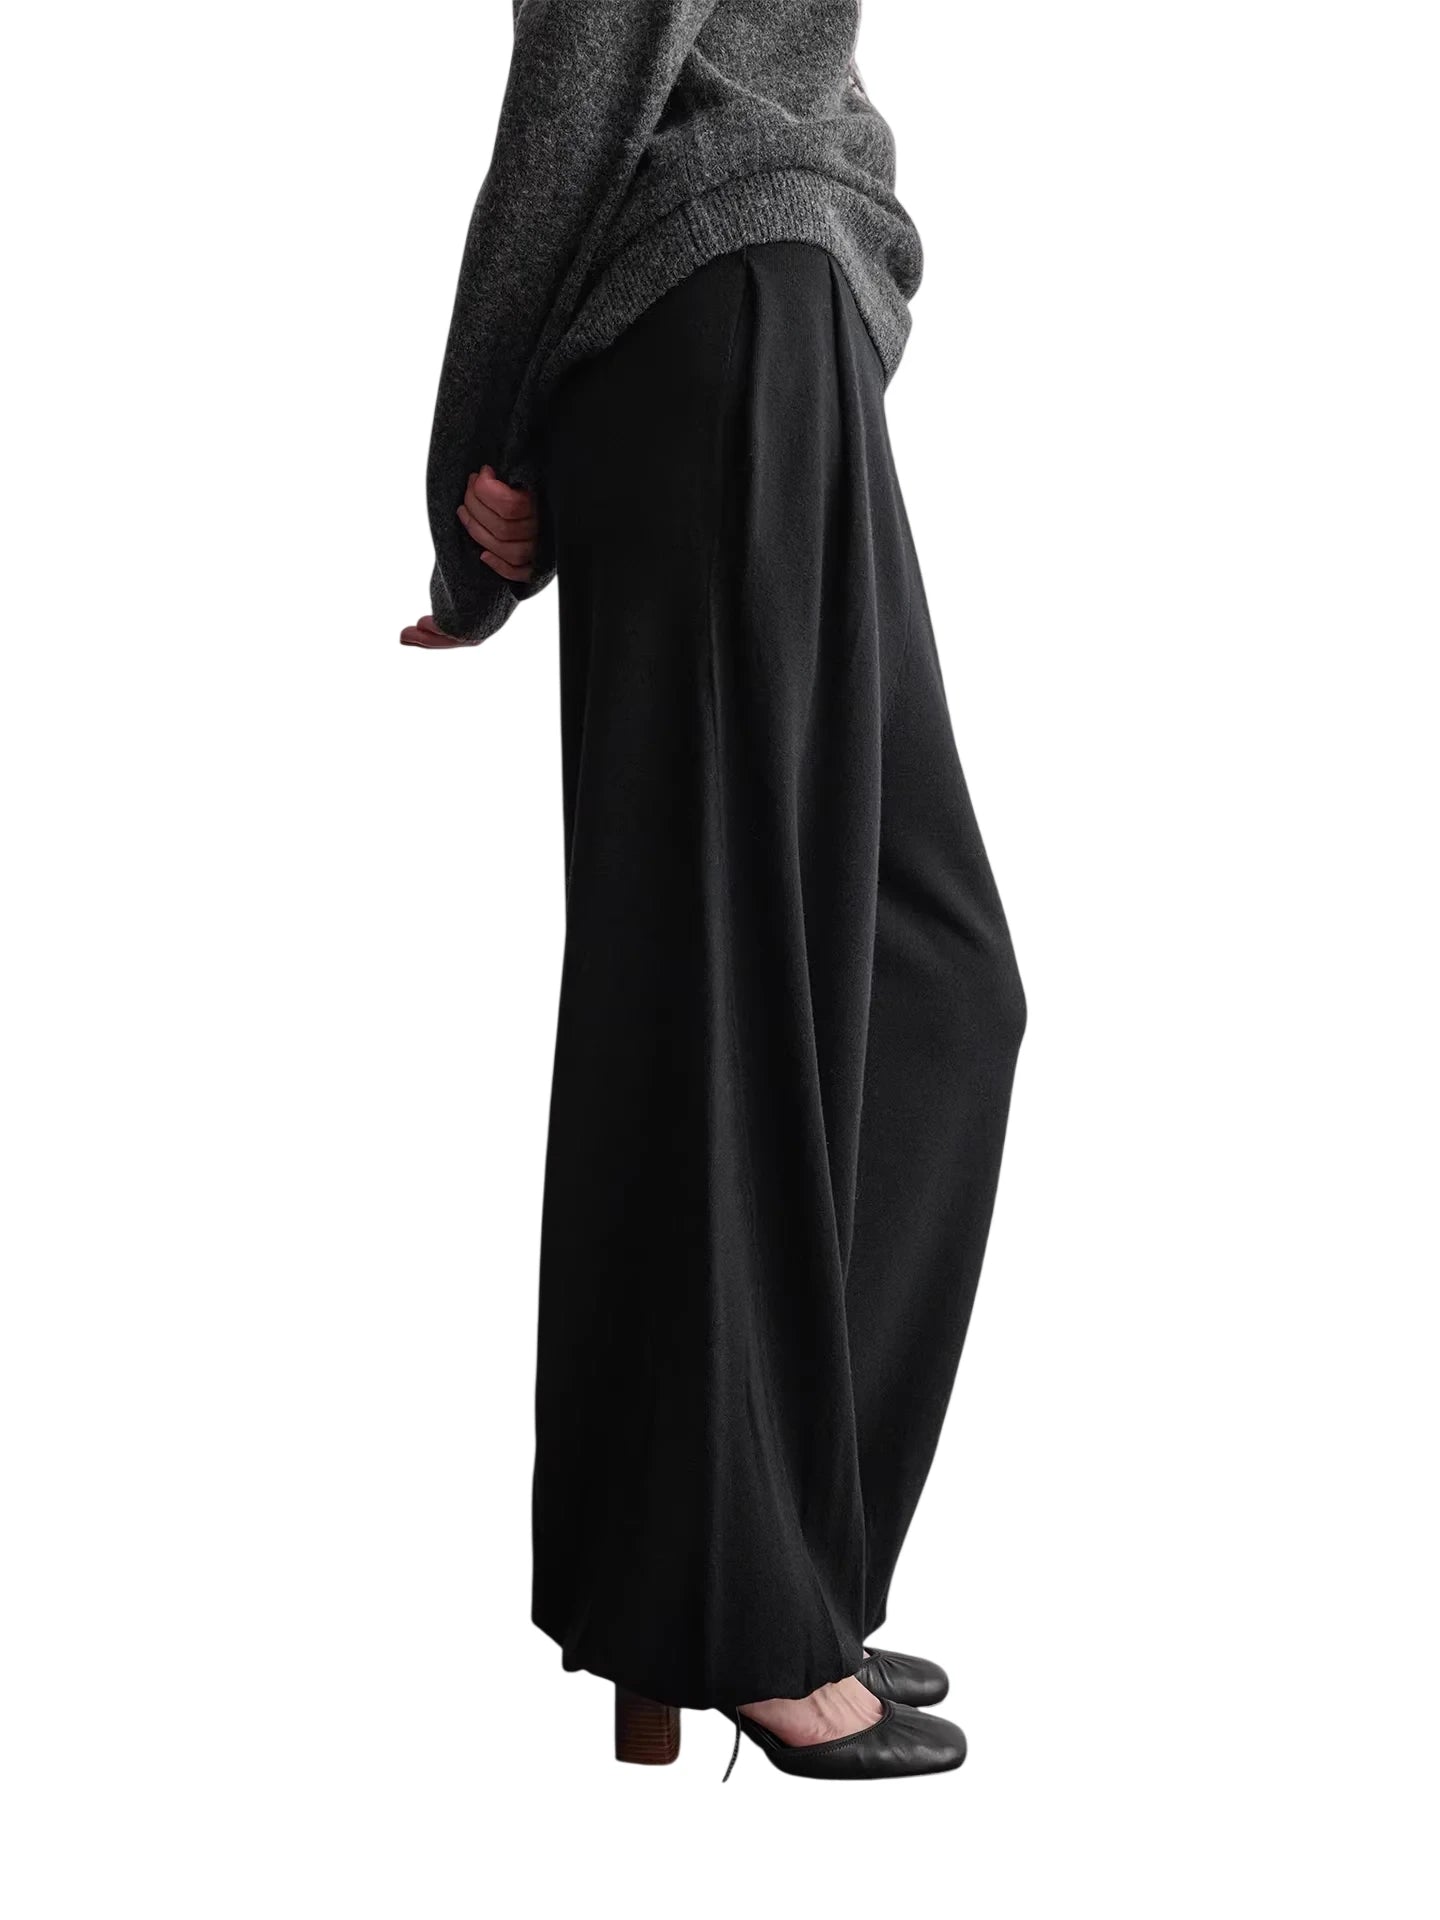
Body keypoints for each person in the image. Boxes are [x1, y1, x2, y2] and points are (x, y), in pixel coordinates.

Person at [400, 0, 1025, 1783]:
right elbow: (583, 83)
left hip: (776, 315)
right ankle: (735, 1610)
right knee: (726, 981)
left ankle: (777, 1569)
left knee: (935, 975)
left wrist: (854, 253)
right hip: (717, 321)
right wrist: (482, 470)